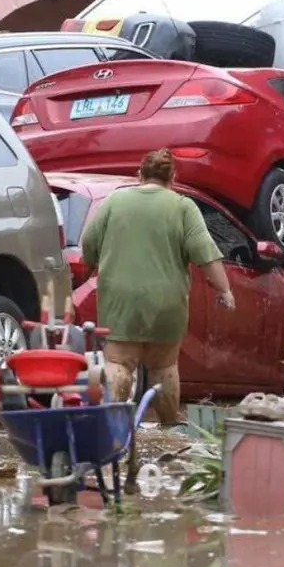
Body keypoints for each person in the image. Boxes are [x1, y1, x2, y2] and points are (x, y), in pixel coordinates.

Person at [80, 148, 233, 425]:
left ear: (139, 175)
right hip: (167, 301)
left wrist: (90, 264)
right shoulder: (182, 206)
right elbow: (205, 252)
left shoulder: (114, 201)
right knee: (163, 366)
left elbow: (88, 244)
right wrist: (224, 290)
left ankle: (109, 425)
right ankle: (169, 425)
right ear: (172, 177)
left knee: (119, 363)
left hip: (120, 300)